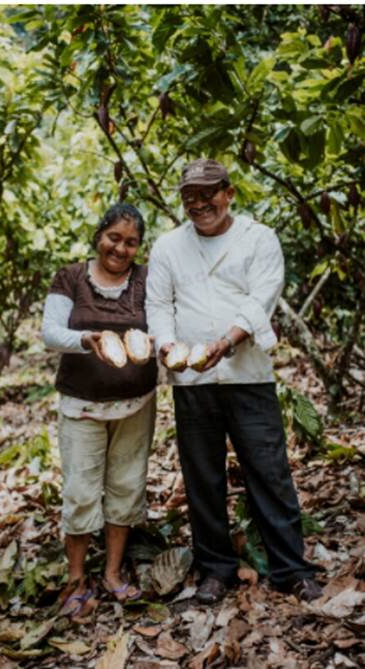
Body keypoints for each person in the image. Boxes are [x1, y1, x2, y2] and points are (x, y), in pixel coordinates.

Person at [146, 158, 322, 604]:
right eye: (191, 197)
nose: (200, 204)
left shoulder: (258, 238)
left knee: (269, 472)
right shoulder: (168, 246)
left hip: (247, 374)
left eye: (209, 194)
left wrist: (226, 342)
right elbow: (158, 305)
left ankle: (291, 569)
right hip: (192, 382)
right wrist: (167, 346)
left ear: (229, 192)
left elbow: (263, 296)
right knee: (202, 477)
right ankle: (216, 570)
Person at [42, 203, 157, 616]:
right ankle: (76, 579)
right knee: (79, 492)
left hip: (136, 404)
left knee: (127, 486)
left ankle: (111, 573)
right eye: (114, 238)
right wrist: (86, 339)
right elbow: (51, 333)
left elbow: (160, 327)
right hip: (82, 406)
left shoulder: (146, 279)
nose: (120, 248)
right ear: (98, 235)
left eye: (131, 242)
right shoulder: (71, 276)